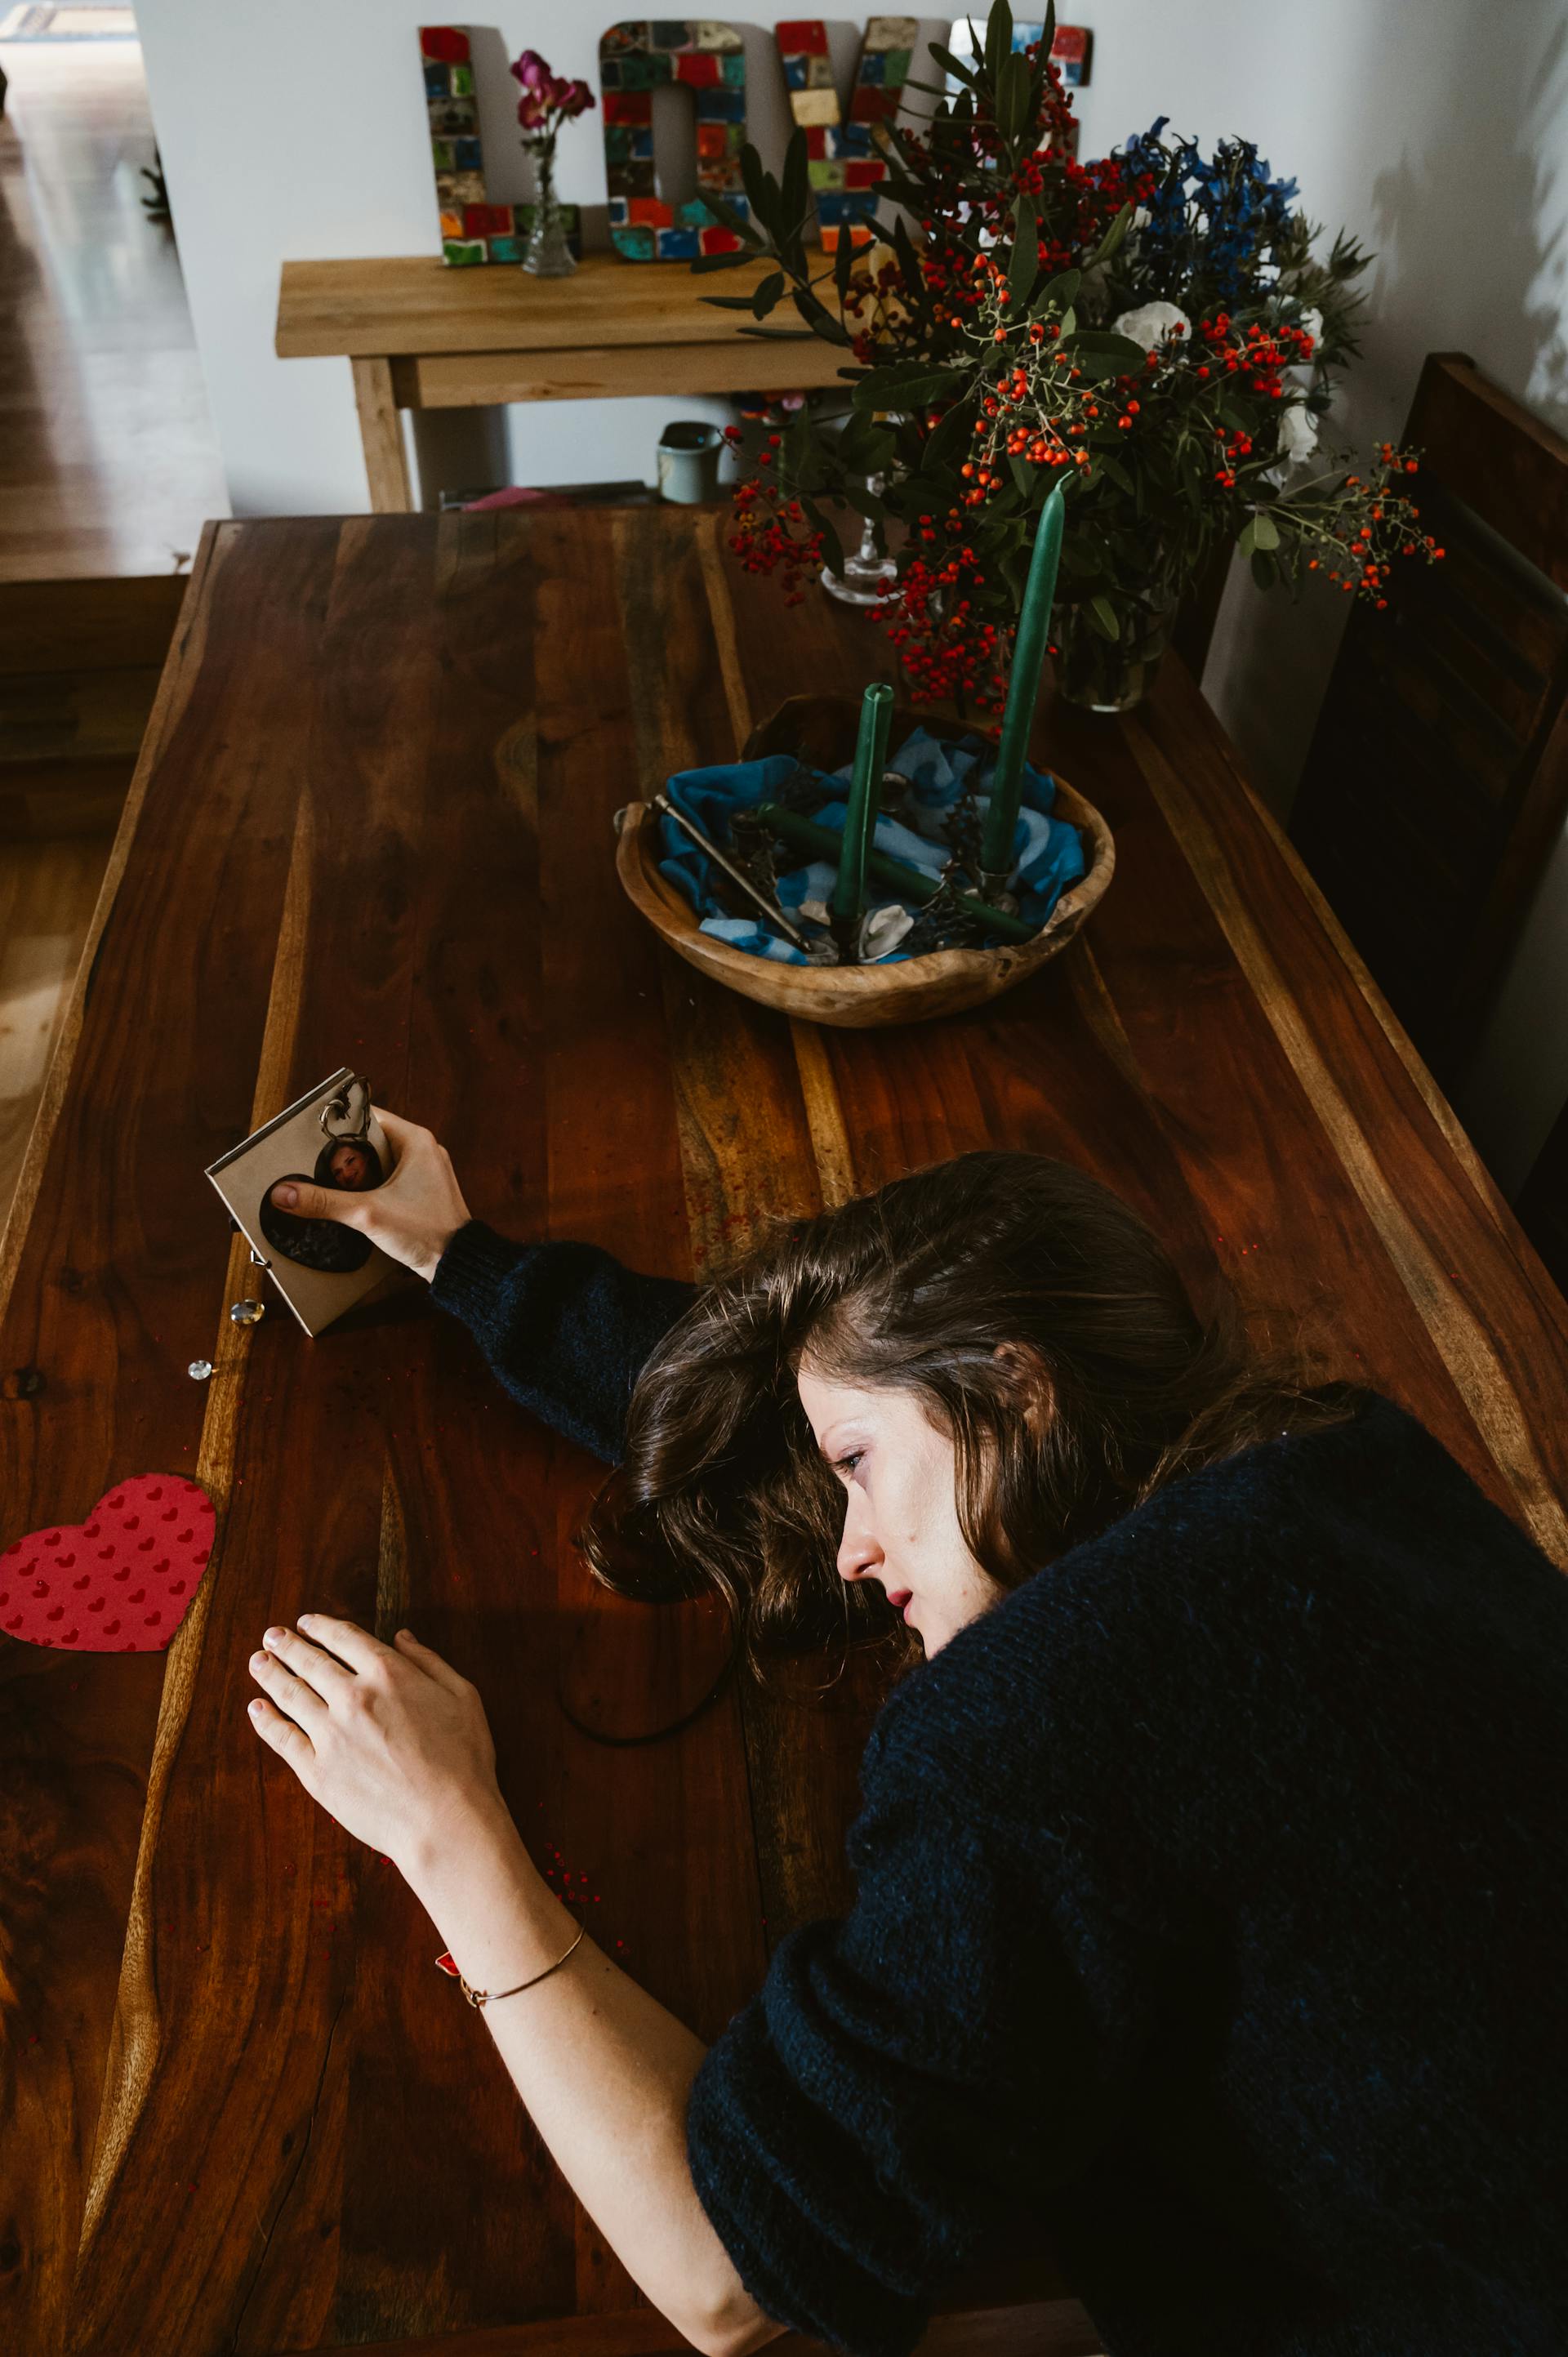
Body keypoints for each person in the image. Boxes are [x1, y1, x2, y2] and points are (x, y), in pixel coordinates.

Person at [249, 1111, 1568, 2357]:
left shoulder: (1028, 1732)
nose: (851, 1543)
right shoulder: (1343, 1458)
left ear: (1020, 1392)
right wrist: (460, 1258)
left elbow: (724, 2277)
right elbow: (798, 1422)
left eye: (859, 1464)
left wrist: (448, 1826)